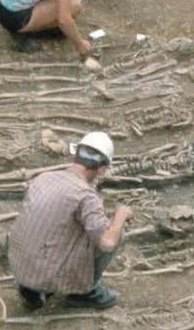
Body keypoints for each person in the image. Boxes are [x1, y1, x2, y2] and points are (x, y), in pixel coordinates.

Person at [9, 132, 133, 311]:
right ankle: (84, 292)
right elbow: (107, 243)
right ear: (101, 168)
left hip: (20, 268)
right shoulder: (85, 195)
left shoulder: (44, 177)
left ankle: (31, 291)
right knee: (114, 232)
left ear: (75, 155)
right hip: (46, 275)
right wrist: (120, 215)